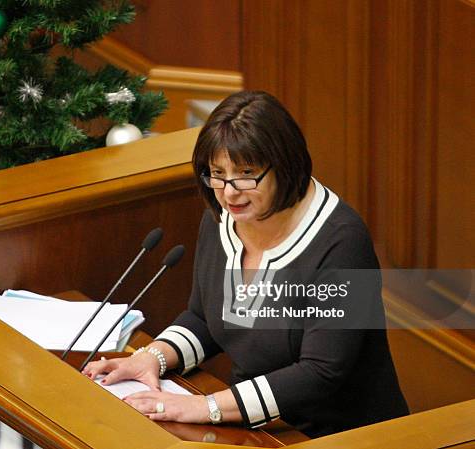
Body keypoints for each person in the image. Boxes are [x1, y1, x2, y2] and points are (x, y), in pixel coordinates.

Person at [83, 90, 408, 437]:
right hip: (255, 428)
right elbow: (205, 318)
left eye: (246, 173)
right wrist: (152, 357)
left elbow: (321, 372)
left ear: (284, 165)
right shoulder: (222, 216)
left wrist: (205, 407)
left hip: (340, 436)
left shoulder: (343, 242)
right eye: (217, 173)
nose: (229, 192)